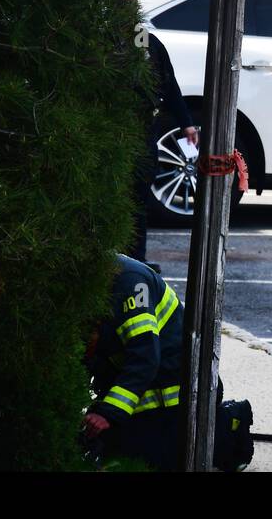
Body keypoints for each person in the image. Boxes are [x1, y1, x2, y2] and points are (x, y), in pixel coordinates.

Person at [82, 255, 184, 470]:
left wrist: (108, 413)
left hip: (169, 395)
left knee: (137, 461)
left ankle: (228, 428)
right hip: (137, 389)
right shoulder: (90, 284)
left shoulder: (129, 282)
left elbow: (145, 357)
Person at [134, 30, 197, 263]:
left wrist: (186, 124)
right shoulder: (108, 39)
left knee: (138, 201)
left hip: (142, 132)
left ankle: (136, 259)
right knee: (133, 202)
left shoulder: (148, 43)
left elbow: (169, 86)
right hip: (122, 131)